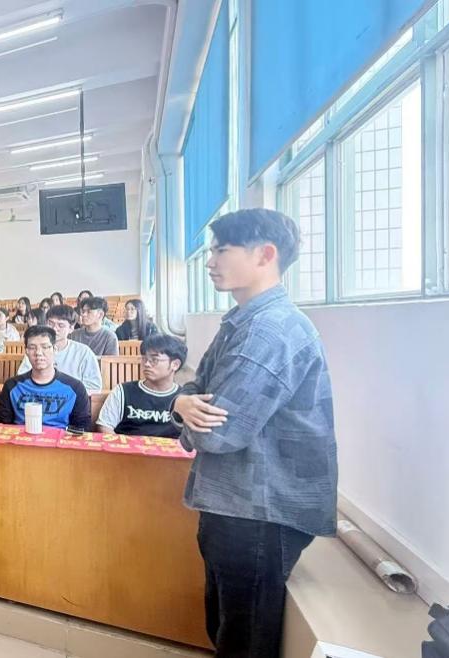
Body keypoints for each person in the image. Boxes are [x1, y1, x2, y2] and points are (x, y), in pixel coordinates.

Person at [171, 209, 337, 657]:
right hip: (233, 502)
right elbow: (194, 388)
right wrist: (181, 404)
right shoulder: (241, 320)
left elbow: (218, 432)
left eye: (222, 250)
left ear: (265, 255)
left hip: (259, 511)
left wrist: (185, 408)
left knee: (244, 641)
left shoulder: (270, 330)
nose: (210, 262)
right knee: (226, 625)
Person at [0, 326, 91, 430]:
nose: (38, 353)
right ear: (26, 351)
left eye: (45, 347)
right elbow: (2, 426)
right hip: (21, 438)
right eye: (32, 347)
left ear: (55, 349)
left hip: (59, 438)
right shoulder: (12, 386)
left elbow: (82, 428)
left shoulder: (75, 388)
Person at [97, 334, 185, 437]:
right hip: (128, 446)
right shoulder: (124, 391)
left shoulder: (184, 399)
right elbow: (105, 426)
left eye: (154, 360)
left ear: (175, 364)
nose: (147, 364)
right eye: (144, 359)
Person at [17, 305, 102, 392]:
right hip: (38, 395)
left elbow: (93, 386)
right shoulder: (36, 349)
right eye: (50, 323)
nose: (54, 329)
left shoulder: (83, 352)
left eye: (61, 325)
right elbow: (22, 377)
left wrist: (64, 393)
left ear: (71, 328)